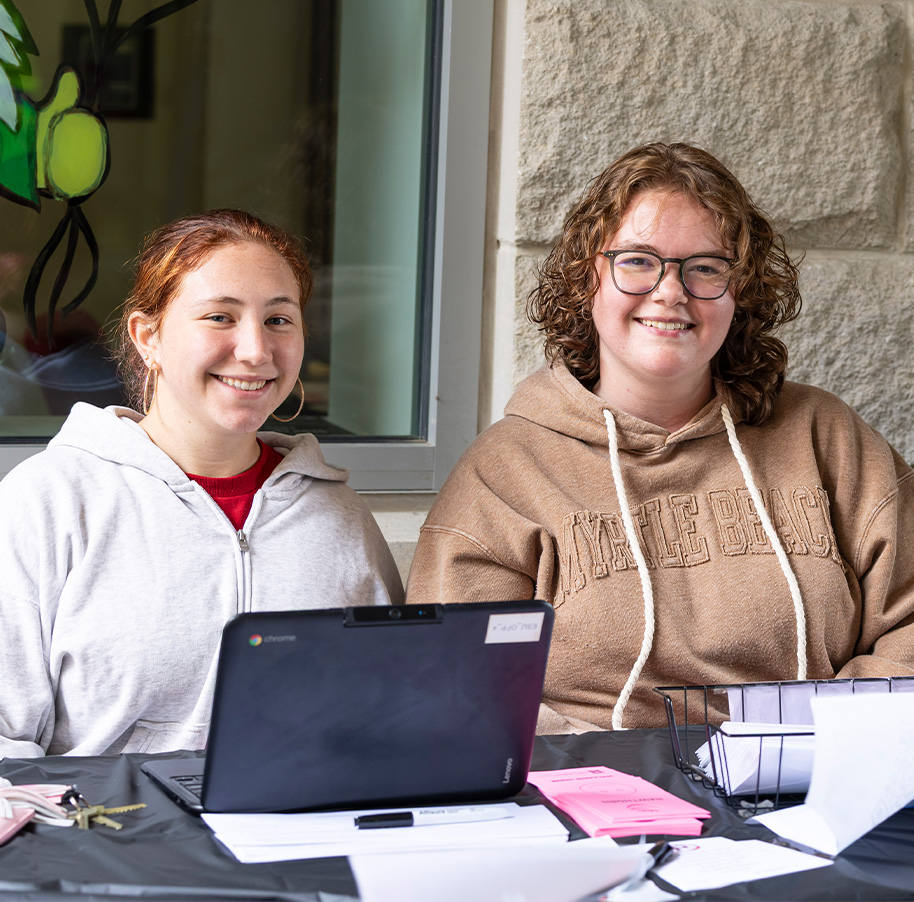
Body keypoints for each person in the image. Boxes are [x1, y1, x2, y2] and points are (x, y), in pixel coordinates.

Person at [406, 142, 914, 733]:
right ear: (587, 277)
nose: (671, 291)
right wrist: (608, 773)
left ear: (739, 292)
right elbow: (458, 678)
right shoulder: (505, 474)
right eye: (639, 261)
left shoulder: (826, 437)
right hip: (599, 801)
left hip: (812, 785)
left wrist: (837, 740)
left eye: (705, 267)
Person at [0, 209, 404, 758]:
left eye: (279, 320)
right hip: (112, 833)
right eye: (220, 317)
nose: (256, 351)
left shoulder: (338, 514)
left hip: (302, 834)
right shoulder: (49, 501)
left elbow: (388, 711)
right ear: (149, 338)